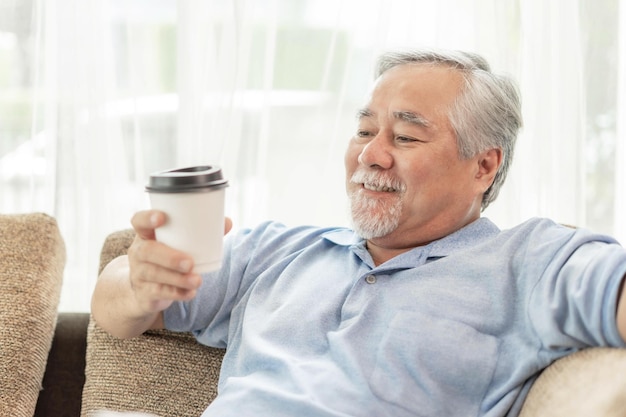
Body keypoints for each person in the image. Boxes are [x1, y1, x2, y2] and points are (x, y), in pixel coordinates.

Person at [91, 48, 626, 417]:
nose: (371, 154)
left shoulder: (526, 261)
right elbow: (113, 310)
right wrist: (139, 282)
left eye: (407, 136)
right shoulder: (281, 249)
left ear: (483, 166)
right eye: (365, 130)